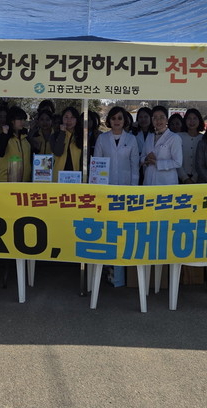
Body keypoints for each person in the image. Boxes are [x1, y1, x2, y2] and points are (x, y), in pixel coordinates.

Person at [93, 106, 140, 287]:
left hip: (126, 190)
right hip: (106, 190)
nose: (117, 121)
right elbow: (97, 164)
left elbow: (135, 166)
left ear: (125, 120)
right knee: (108, 231)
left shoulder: (132, 139)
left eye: (120, 118)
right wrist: (99, 189)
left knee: (123, 232)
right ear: (109, 121)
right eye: (113, 118)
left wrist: (133, 189)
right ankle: (109, 271)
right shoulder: (102, 139)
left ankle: (120, 275)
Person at [141, 106, 182, 186]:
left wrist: (157, 163)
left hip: (166, 181)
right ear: (152, 120)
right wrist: (146, 159)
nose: (158, 120)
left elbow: (178, 162)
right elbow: (142, 157)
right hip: (149, 180)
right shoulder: (150, 136)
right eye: (155, 118)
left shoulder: (174, 138)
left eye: (161, 117)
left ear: (167, 120)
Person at [0, 106, 32, 182]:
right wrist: (4, 135)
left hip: (24, 182)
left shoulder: (25, 138)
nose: (22, 122)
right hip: (6, 181)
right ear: (12, 120)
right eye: (20, 119)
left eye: (24, 119)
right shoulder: (4, 136)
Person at [51, 106, 84, 182]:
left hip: (76, 177)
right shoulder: (54, 136)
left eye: (72, 117)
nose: (69, 120)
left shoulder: (82, 136)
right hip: (58, 177)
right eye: (66, 117)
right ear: (62, 119)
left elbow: (84, 159)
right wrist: (62, 133)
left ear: (77, 120)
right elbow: (58, 152)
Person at [177, 108, 204, 184]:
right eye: (189, 118)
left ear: (199, 120)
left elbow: (204, 162)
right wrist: (184, 178)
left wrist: (194, 178)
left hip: (199, 179)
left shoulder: (204, 138)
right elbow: (176, 159)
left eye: (195, 118)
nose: (192, 121)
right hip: (180, 179)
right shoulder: (178, 137)